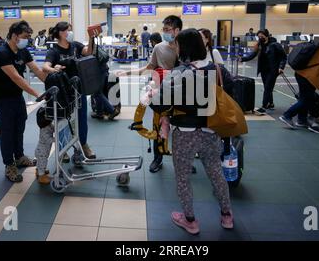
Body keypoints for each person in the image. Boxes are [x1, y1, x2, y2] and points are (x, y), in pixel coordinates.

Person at [150, 28, 235, 234]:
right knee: (216, 173)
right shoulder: (218, 70)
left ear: (184, 47)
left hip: (184, 133)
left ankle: (190, 220)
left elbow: (159, 104)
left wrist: (152, 94)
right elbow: (230, 94)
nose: (175, 48)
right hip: (211, 131)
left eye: (177, 45)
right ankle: (227, 216)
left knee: (183, 178)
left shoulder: (180, 72)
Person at [117, 16, 182, 173]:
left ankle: (183, 160)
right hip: (161, 93)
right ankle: (157, 159)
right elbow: (149, 67)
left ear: (177, 30)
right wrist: (127, 72)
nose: (165, 32)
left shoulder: (185, 46)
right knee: (158, 126)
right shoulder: (159, 48)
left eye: (168, 30)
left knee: (181, 129)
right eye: (164, 29)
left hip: (182, 93)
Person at [0, 20, 47, 183]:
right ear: (14, 36)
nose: (27, 39)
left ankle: (20, 156)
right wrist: (38, 94)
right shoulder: (2, 53)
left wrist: (51, 82)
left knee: (19, 127)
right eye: (25, 36)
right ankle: (9, 165)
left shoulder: (23, 52)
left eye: (29, 36)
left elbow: (36, 69)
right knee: (7, 131)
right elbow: (16, 77)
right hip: (2, 99)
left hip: (16, 97)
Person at [42, 21, 96, 161]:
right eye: (68, 30)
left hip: (79, 88)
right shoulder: (54, 51)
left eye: (71, 30)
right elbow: (45, 66)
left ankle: (83, 145)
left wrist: (91, 38)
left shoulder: (75, 45)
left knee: (82, 118)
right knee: (63, 120)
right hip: (63, 92)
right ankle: (63, 148)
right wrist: (54, 69)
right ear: (60, 33)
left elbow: (88, 52)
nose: (70, 33)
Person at [240, 29, 286, 115]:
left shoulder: (275, 45)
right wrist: (243, 59)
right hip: (263, 70)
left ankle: (264, 106)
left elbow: (283, 57)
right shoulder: (260, 45)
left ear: (267, 35)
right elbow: (253, 55)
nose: (260, 38)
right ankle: (271, 104)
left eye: (262, 36)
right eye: (259, 36)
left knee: (268, 87)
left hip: (273, 70)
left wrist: (281, 67)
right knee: (267, 87)